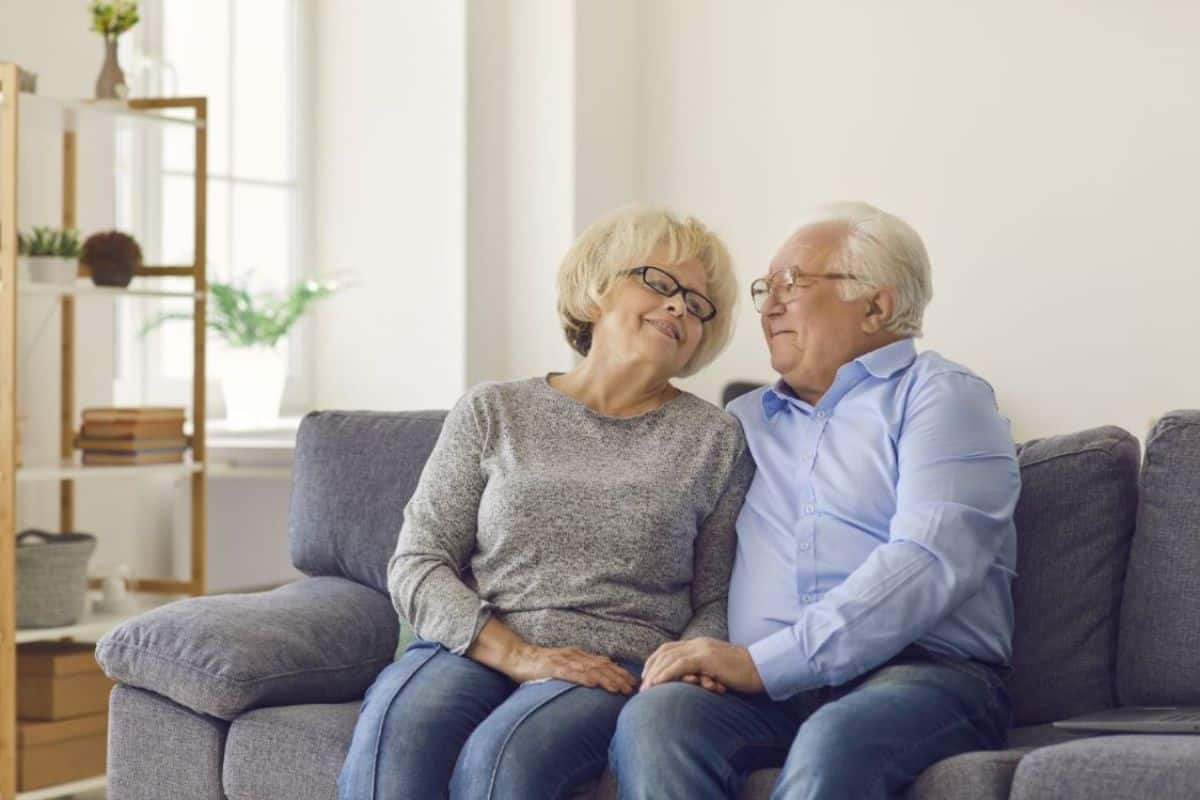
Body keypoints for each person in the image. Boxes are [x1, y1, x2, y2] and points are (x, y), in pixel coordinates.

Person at [337, 205, 754, 800]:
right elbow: (417, 563)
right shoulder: (494, 411)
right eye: (660, 283)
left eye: (696, 302)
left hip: (609, 665)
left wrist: (684, 665)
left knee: (500, 761)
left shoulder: (715, 440)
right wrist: (520, 655)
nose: (679, 307)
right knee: (397, 742)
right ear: (596, 289)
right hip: (476, 643)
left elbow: (716, 597)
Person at [610, 201, 1020, 800]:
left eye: (792, 284)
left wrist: (762, 663)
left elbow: (930, 559)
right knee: (658, 720)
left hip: (921, 676)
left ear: (876, 305)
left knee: (836, 739)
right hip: (767, 693)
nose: (769, 305)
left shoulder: (942, 397)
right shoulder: (740, 424)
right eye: (764, 289)